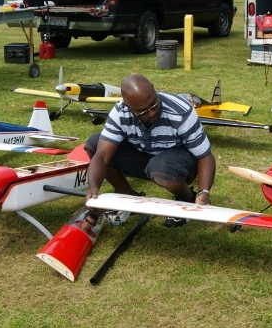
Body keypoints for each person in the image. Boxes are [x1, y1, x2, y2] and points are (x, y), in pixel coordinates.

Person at [84, 74, 216, 228]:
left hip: (178, 161)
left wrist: (203, 192)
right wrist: (94, 190)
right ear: (127, 106)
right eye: (143, 112)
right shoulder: (120, 113)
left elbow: (205, 157)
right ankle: (126, 193)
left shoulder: (180, 111)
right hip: (143, 156)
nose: (152, 113)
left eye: (154, 104)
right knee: (95, 144)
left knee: (161, 167)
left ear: (153, 89)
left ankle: (186, 197)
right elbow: (102, 157)